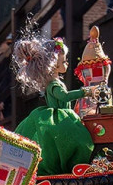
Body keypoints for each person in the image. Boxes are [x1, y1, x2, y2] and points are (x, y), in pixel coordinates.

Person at [12, 26, 98, 175]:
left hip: (64, 114)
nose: (67, 64)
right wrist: (85, 91)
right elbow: (64, 96)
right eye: (64, 62)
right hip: (61, 117)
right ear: (54, 65)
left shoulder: (54, 82)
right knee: (73, 139)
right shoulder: (54, 84)